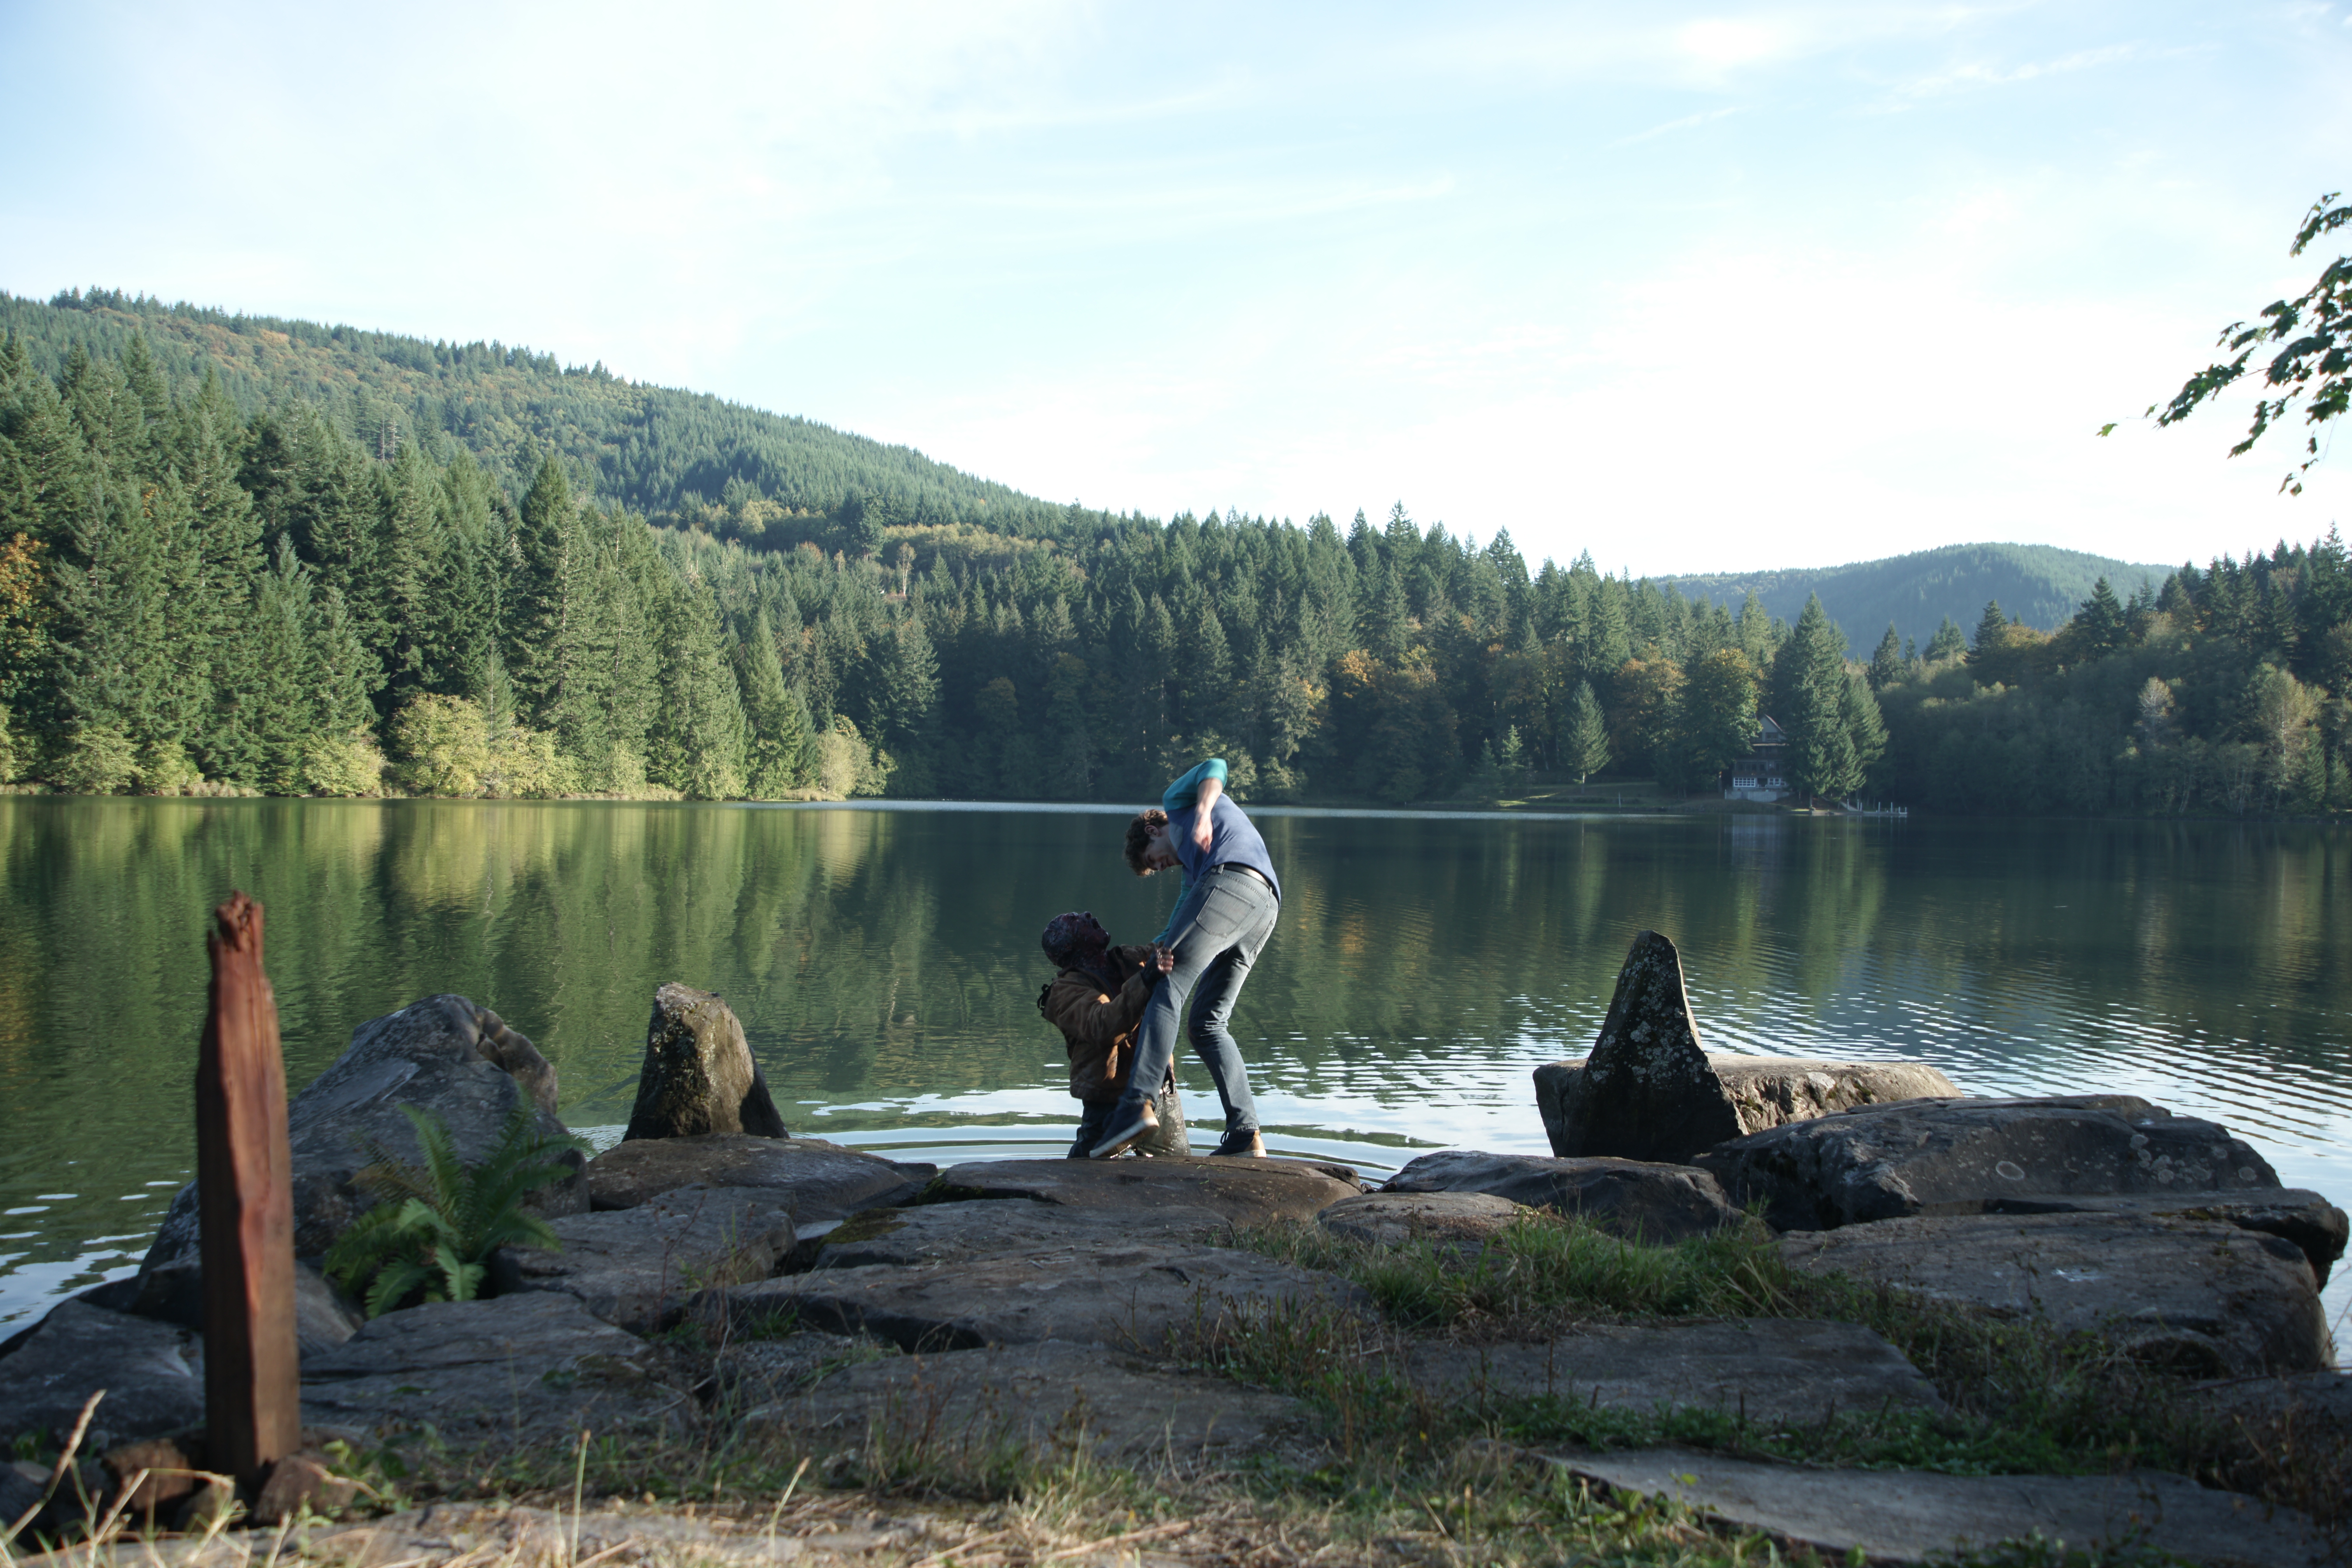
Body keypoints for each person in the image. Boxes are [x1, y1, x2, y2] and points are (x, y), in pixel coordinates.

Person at [1092, 757, 1279, 1160]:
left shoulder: (1178, 805)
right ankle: (1246, 1135)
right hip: (1264, 905)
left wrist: (1204, 814)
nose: (1162, 866)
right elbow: (1179, 923)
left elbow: (1217, 765)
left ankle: (1135, 1105)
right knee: (1207, 1023)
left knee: (1169, 984)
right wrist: (1143, 956)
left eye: (1155, 859)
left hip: (1233, 881)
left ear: (1153, 830)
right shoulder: (1194, 874)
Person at [1035, 911, 1186, 1158]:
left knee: (1180, 1170)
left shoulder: (1126, 957)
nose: (1087, 915)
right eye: (1076, 921)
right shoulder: (1064, 993)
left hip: (1161, 1091)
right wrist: (1146, 978)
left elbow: (1174, 946)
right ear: (1073, 946)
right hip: (1109, 1100)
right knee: (1085, 1171)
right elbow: (1103, 1026)